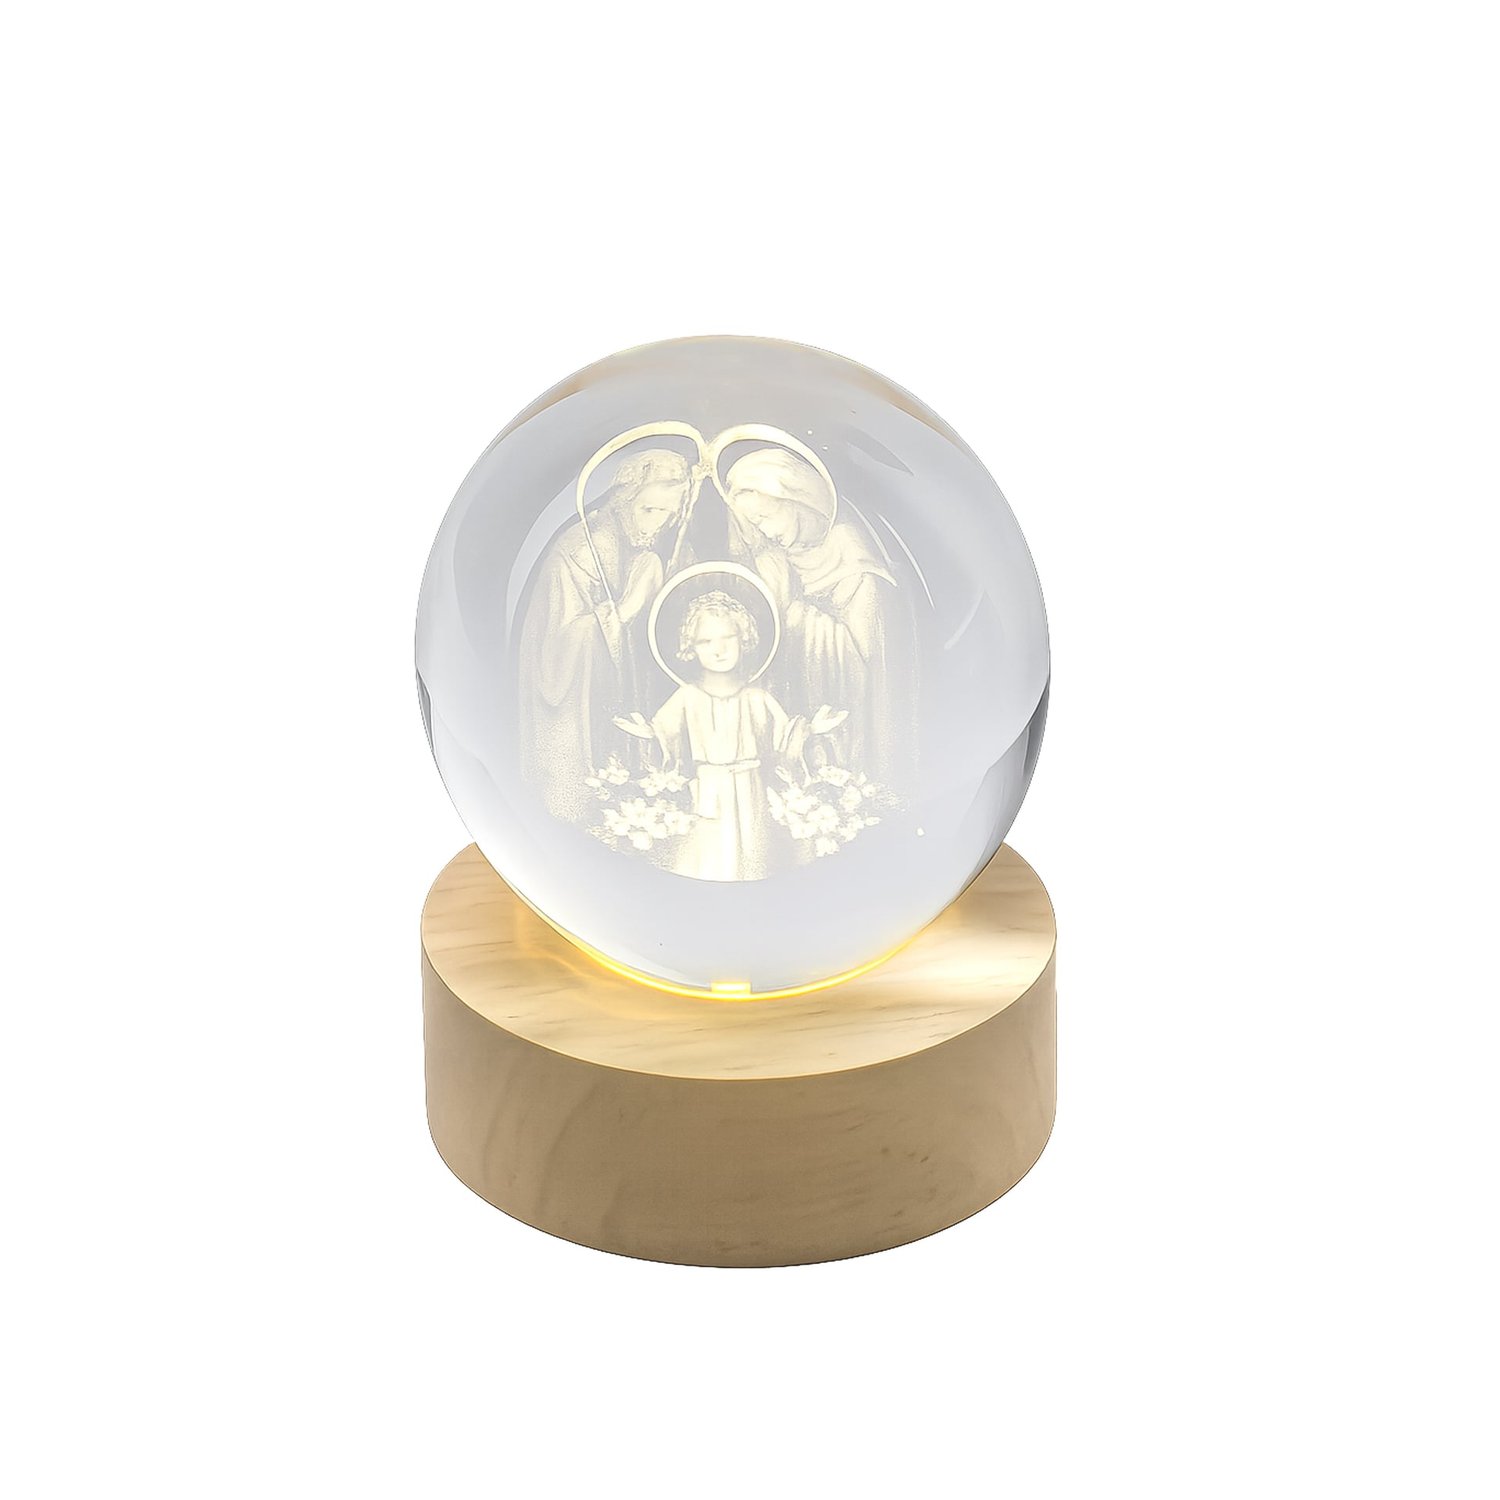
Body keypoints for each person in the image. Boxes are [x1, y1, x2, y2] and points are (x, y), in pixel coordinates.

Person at [614, 590, 845, 881]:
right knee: (706, 861)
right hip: (707, 792)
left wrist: (811, 730)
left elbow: (785, 740)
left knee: (752, 861)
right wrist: (648, 734)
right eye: (706, 641)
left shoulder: (757, 698)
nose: (719, 650)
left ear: (744, 638)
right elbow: (664, 735)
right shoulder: (687, 696)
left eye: (728, 638)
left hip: (750, 792)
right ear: (691, 647)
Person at [724, 448, 913, 789]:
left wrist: (792, 612)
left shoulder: (856, 565)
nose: (763, 530)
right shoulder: (783, 557)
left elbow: (871, 670)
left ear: (795, 498)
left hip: (852, 730)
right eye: (754, 524)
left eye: (764, 517)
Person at [519, 449, 690, 822]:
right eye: (649, 510)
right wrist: (627, 609)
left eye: (668, 515)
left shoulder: (640, 550)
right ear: (624, 499)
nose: (656, 525)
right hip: (568, 690)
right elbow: (564, 641)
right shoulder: (588, 548)